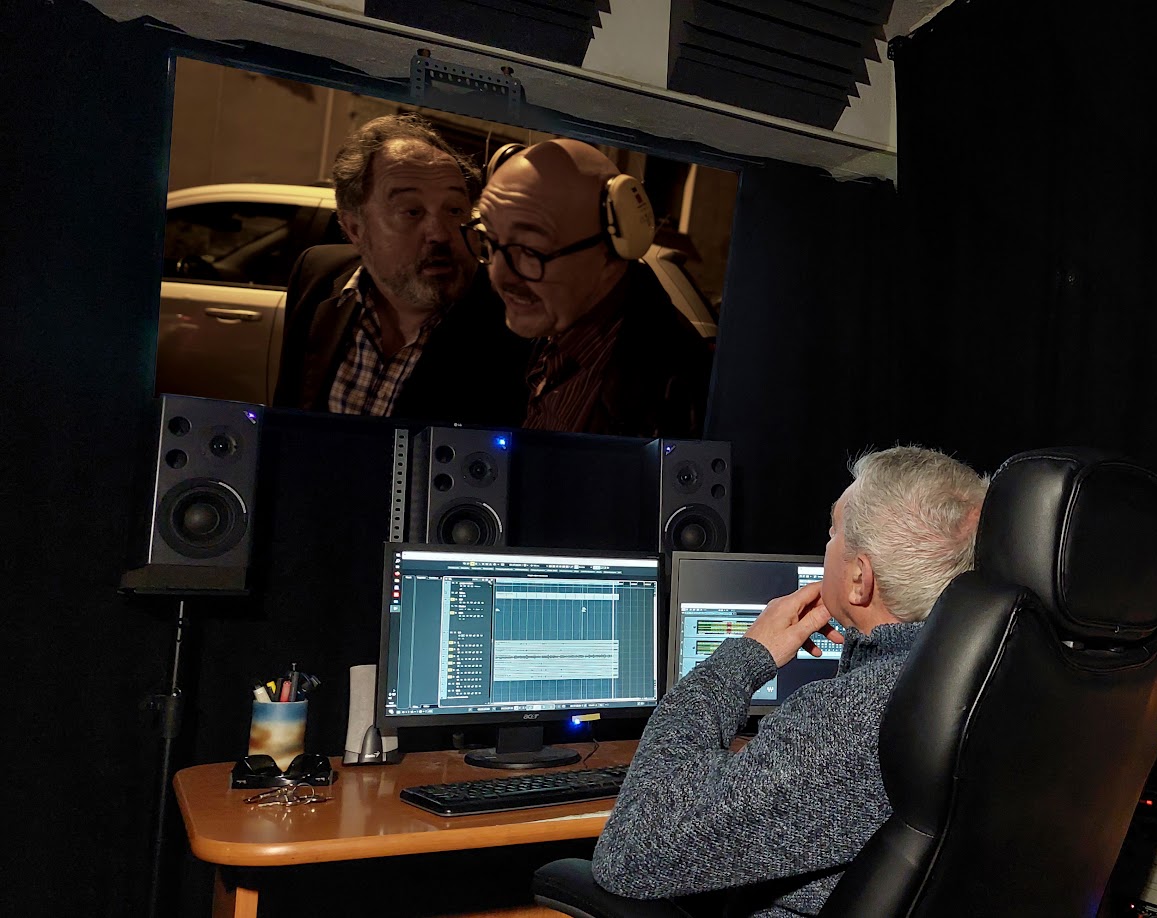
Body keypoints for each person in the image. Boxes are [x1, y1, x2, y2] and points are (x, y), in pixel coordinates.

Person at [591, 446, 989, 916]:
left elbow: (632, 852)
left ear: (859, 578)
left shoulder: (855, 718)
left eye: (833, 532)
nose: (827, 546)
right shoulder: (1003, 682)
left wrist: (747, 657)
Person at [274, 114, 530, 426]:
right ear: (355, 228)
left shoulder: (514, 322)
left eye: (454, 210)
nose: (440, 234)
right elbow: (286, 413)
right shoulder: (317, 273)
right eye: (411, 211)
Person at [472, 139, 713, 437]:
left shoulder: (676, 396)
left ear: (613, 249)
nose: (499, 274)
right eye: (490, 239)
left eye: (531, 250)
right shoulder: (555, 324)